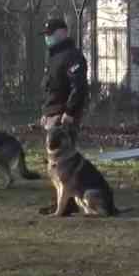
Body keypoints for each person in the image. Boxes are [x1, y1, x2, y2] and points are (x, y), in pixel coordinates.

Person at [38, 17, 89, 215]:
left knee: (64, 164)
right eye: (46, 35)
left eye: (51, 34)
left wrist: (70, 112)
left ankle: (67, 204)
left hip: (64, 118)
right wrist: (45, 113)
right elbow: (51, 89)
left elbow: (79, 88)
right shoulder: (54, 56)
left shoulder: (72, 57)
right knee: (55, 165)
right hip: (53, 115)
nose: (48, 38)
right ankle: (61, 201)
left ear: (63, 32)